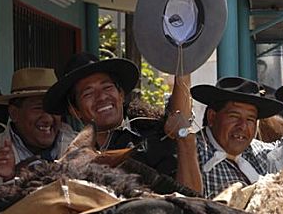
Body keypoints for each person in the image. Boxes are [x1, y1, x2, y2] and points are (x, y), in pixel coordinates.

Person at [43, 53, 202, 193]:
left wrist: (185, 141)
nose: (101, 97)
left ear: (121, 94)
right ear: (75, 110)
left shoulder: (156, 136)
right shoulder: (70, 155)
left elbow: (192, 198)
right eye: (88, 93)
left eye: (107, 87)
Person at [190, 77, 283, 198]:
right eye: (234, 116)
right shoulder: (194, 151)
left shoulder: (261, 153)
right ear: (212, 117)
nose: (242, 126)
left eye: (250, 119)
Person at [0, 68, 75, 193]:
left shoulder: (79, 149)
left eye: (53, 108)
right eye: (38, 108)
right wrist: (7, 182)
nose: (48, 118)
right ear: (14, 113)